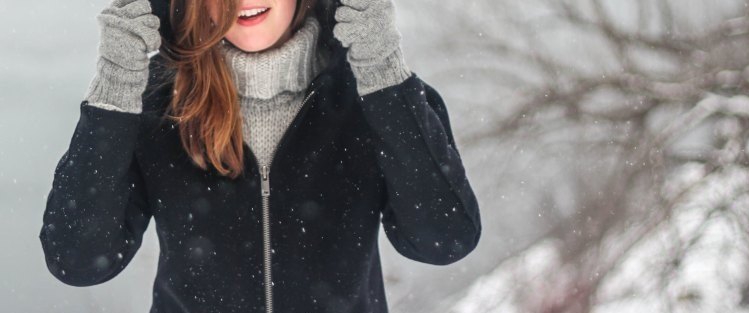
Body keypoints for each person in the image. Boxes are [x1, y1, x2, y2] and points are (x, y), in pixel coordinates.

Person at [38, 0, 482, 311]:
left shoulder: (377, 97)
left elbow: (444, 239)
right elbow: (77, 260)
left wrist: (382, 67)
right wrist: (116, 85)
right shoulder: (156, 106)